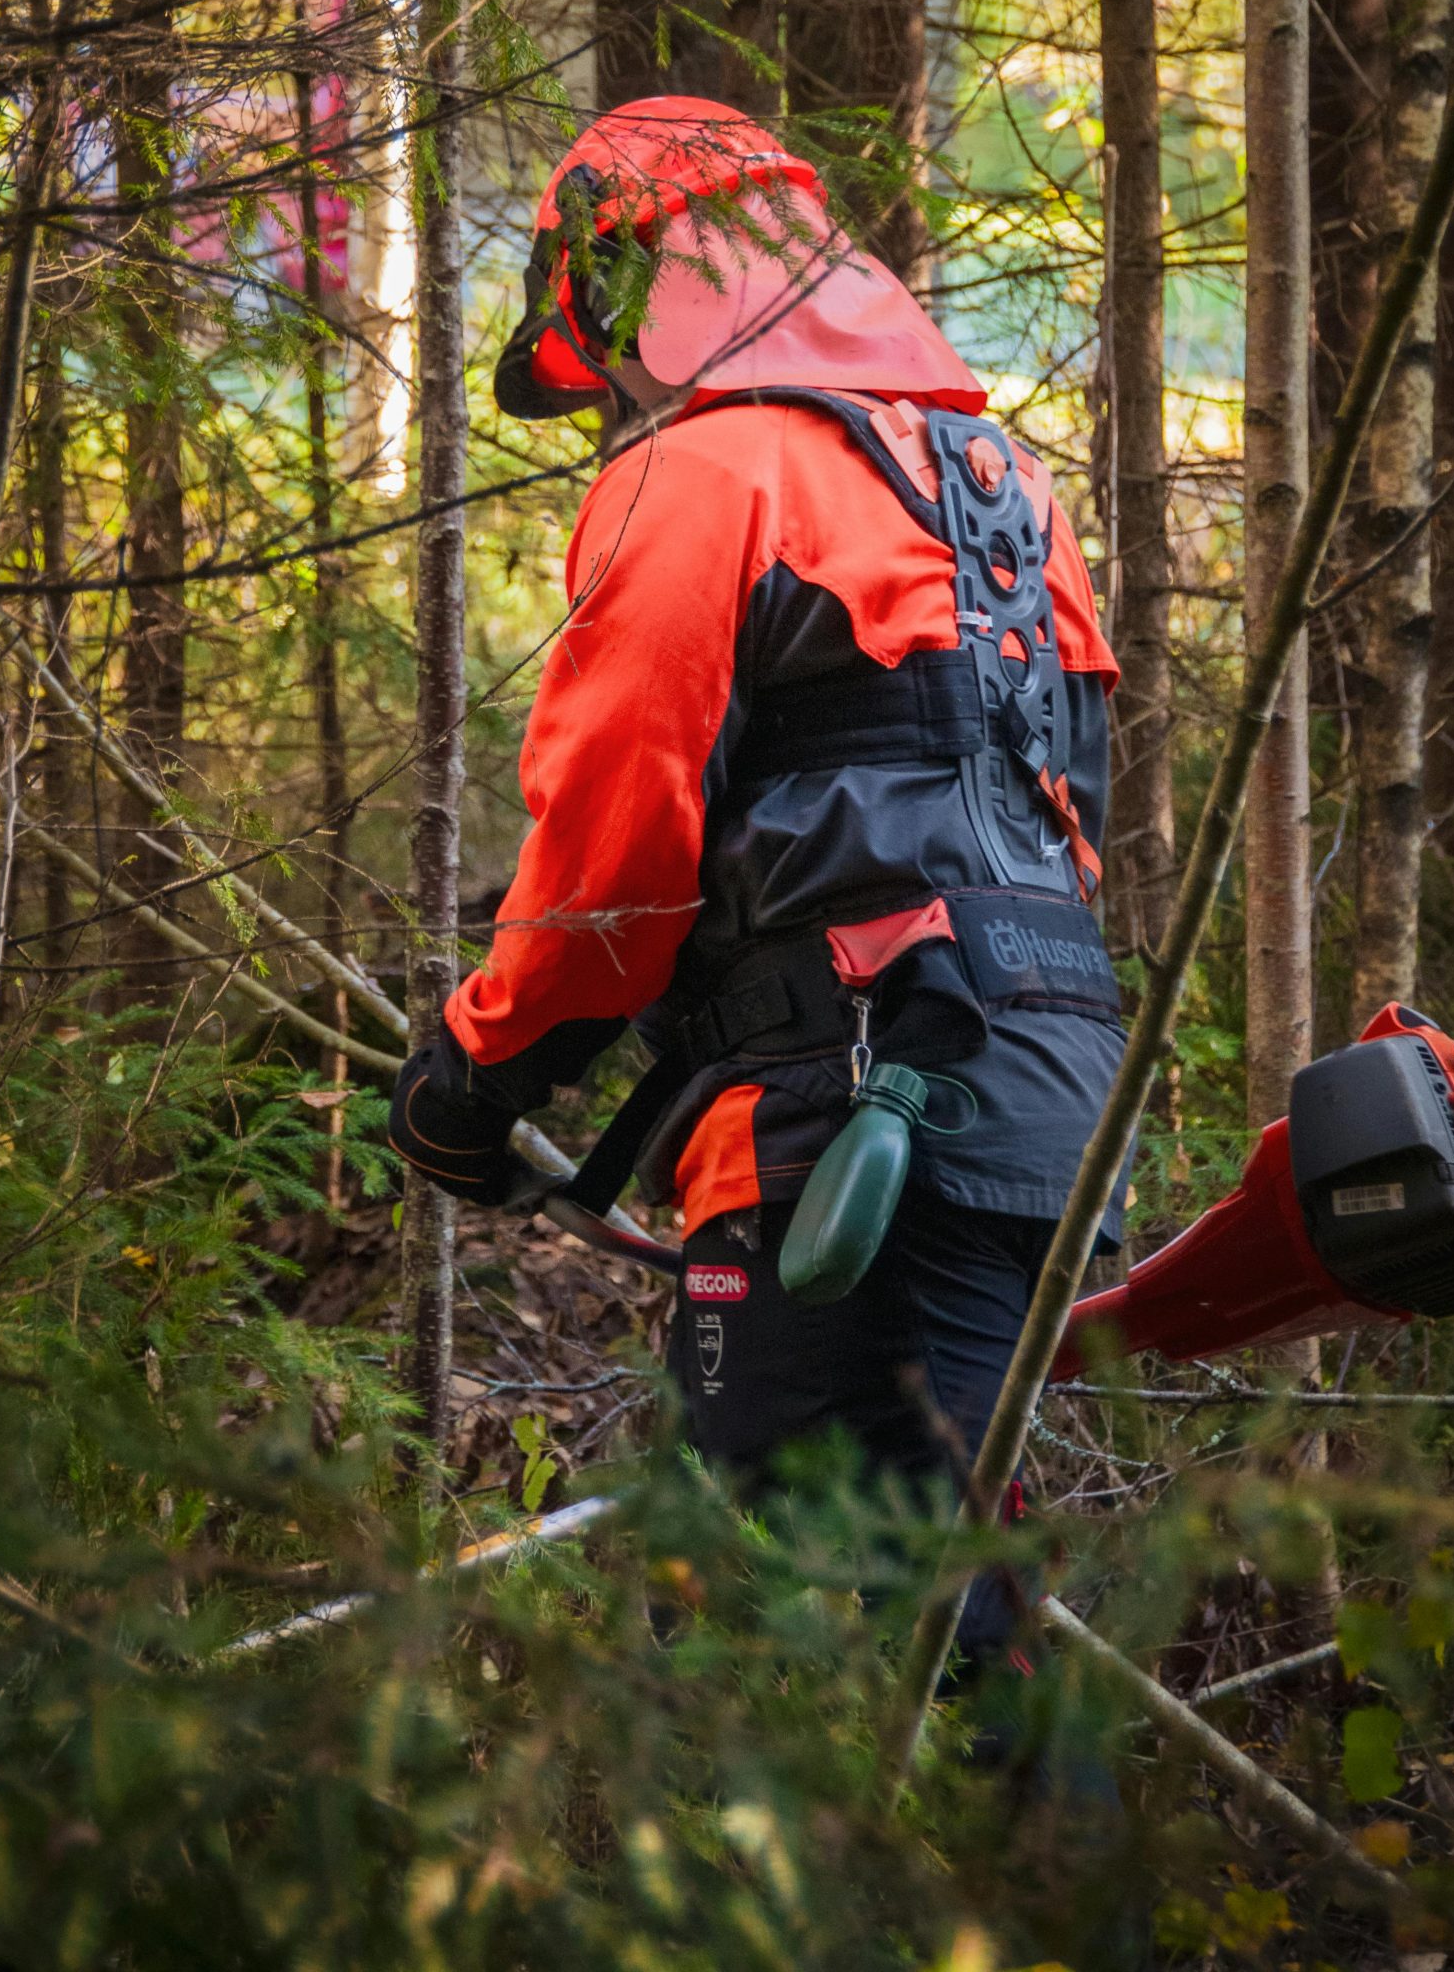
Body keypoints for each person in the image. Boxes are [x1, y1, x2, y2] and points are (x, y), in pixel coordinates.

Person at [388, 96, 1130, 1674]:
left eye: (611, 343)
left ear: (644, 286)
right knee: (951, 1599)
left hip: (842, 1115)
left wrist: (477, 1072)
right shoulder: (1011, 491)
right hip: (1050, 1098)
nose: (620, 394)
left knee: (784, 1640)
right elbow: (1072, 810)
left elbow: (612, 850)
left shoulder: (710, 475)